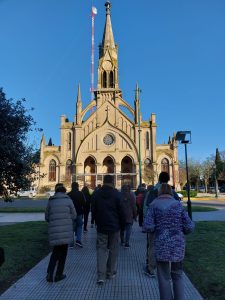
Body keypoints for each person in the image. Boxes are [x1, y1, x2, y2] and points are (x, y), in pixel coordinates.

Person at [144, 183, 195, 300]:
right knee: (178, 275)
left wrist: (156, 228)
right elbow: (189, 226)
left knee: (163, 277)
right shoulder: (178, 205)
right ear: (171, 193)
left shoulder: (154, 205)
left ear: (159, 192)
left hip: (161, 246)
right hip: (177, 246)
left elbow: (147, 226)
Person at [143, 172, 180, 277]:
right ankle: (166, 268)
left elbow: (146, 208)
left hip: (154, 226)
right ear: (168, 179)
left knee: (152, 246)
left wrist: (147, 223)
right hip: (170, 226)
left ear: (158, 179)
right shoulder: (173, 193)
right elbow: (179, 209)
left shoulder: (152, 192)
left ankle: (151, 268)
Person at [92, 175, 126, 284]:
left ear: (103, 182)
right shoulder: (117, 194)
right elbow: (122, 212)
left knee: (101, 250)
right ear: (112, 182)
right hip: (114, 227)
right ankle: (110, 272)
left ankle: (101, 276)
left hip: (101, 226)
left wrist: (97, 222)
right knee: (113, 249)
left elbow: (94, 210)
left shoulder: (96, 194)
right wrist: (122, 226)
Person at [45, 183, 77, 283]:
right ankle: (59, 274)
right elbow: (74, 215)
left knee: (55, 253)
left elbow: (47, 217)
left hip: (54, 231)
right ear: (64, 191)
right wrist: (67, 220)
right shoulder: (68, 200)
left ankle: (50, 274)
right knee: (63, 253)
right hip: (66, 231)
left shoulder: (51, 201)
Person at [68, 182, 85, 247]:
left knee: (71, 227)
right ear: (77, 186)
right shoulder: (81, 194)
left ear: (72, 186)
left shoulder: (69, 194)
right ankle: (78, 240)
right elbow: (84, 203)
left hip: (71, 214)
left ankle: (71, 243)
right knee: (79, 226)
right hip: (79, 212)